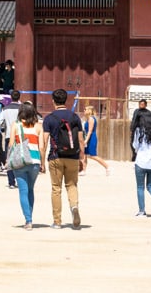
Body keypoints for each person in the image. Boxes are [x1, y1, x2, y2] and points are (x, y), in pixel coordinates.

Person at [41, 88, 85, 230]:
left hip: (55, 156)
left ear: (53, 101)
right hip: (72, 156)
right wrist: (82, 158)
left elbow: (45, 141)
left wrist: (42, 161)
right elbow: (80, 139)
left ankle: (57, 221)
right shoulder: (75, 117)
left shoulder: (49, 118)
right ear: (66, 100)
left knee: (56, 188)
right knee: (72, 185)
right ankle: (74, 208)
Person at [8, 102, 44, 228]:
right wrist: (43, 163)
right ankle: (29, 216)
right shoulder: (39, 126)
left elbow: (11, 144)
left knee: (23, 191)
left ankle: (28, 220)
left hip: (20, 161)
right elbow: (42, 147)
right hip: (34, 161)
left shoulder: (16, 125)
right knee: (30, 190)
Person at [132, 101, 151, 217]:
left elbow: (135, 146)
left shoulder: (139, 131)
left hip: (141, 162)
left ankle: (142, 211)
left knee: (140, 187)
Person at [82, 106, 111, 176]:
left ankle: (107, 166)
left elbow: (90, 131)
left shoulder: (91, 119)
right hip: (87, 137)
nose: (84, 110)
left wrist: (86, 140)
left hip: (91, 138)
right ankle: (83, 170)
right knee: (84, 155)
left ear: (89, 111)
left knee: (93, 155)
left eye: (85, 109)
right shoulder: (87, 119)